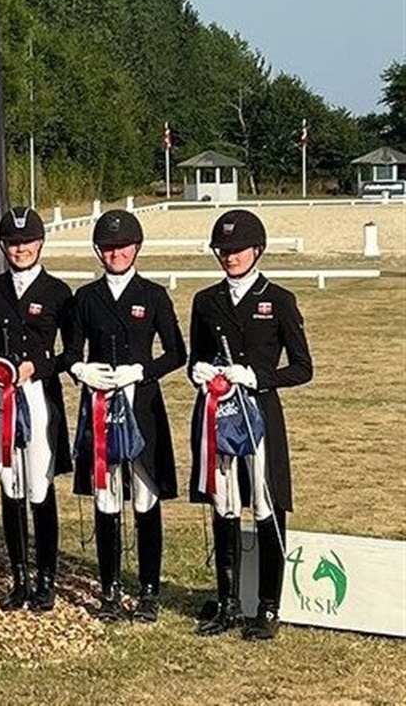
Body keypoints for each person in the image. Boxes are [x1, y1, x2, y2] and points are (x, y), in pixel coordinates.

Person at [189, 209, 312, 641]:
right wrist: (200, 372)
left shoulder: (278, 300)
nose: (230, 256)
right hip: (219, 415)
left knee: (265, 505)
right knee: (225, 503)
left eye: (238, 249)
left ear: (256, 250)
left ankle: (268, 606)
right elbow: (195, 358)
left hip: (260, 414)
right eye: (223, 250)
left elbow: (302, 368)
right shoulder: (205, 301)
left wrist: (258, 377)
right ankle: (227, 603)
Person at [65, 209, 185, 621]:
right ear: (99, 251)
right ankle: (110, 590)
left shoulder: (153, 295)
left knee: (145, 495)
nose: (115, 254)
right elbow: (70, 350)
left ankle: (149, 591)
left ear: (136, 248)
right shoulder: (85, 298)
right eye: (108, 248)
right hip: (100, 405)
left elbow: (176, 352)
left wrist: (142, 371)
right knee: (106, 494)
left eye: (123, 247)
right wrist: (80, 370)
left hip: (142, 404)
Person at [0, 207, 74, 612]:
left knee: (39, 487)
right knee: (10, 484)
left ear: (40, 243)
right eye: (12, 243)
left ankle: (46, 579)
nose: (20, 249)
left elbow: (71, 353)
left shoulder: (58, 292)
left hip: (38, 394)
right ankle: (19, 578)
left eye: (26, 242)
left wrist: (36, 367)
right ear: (3, 246)